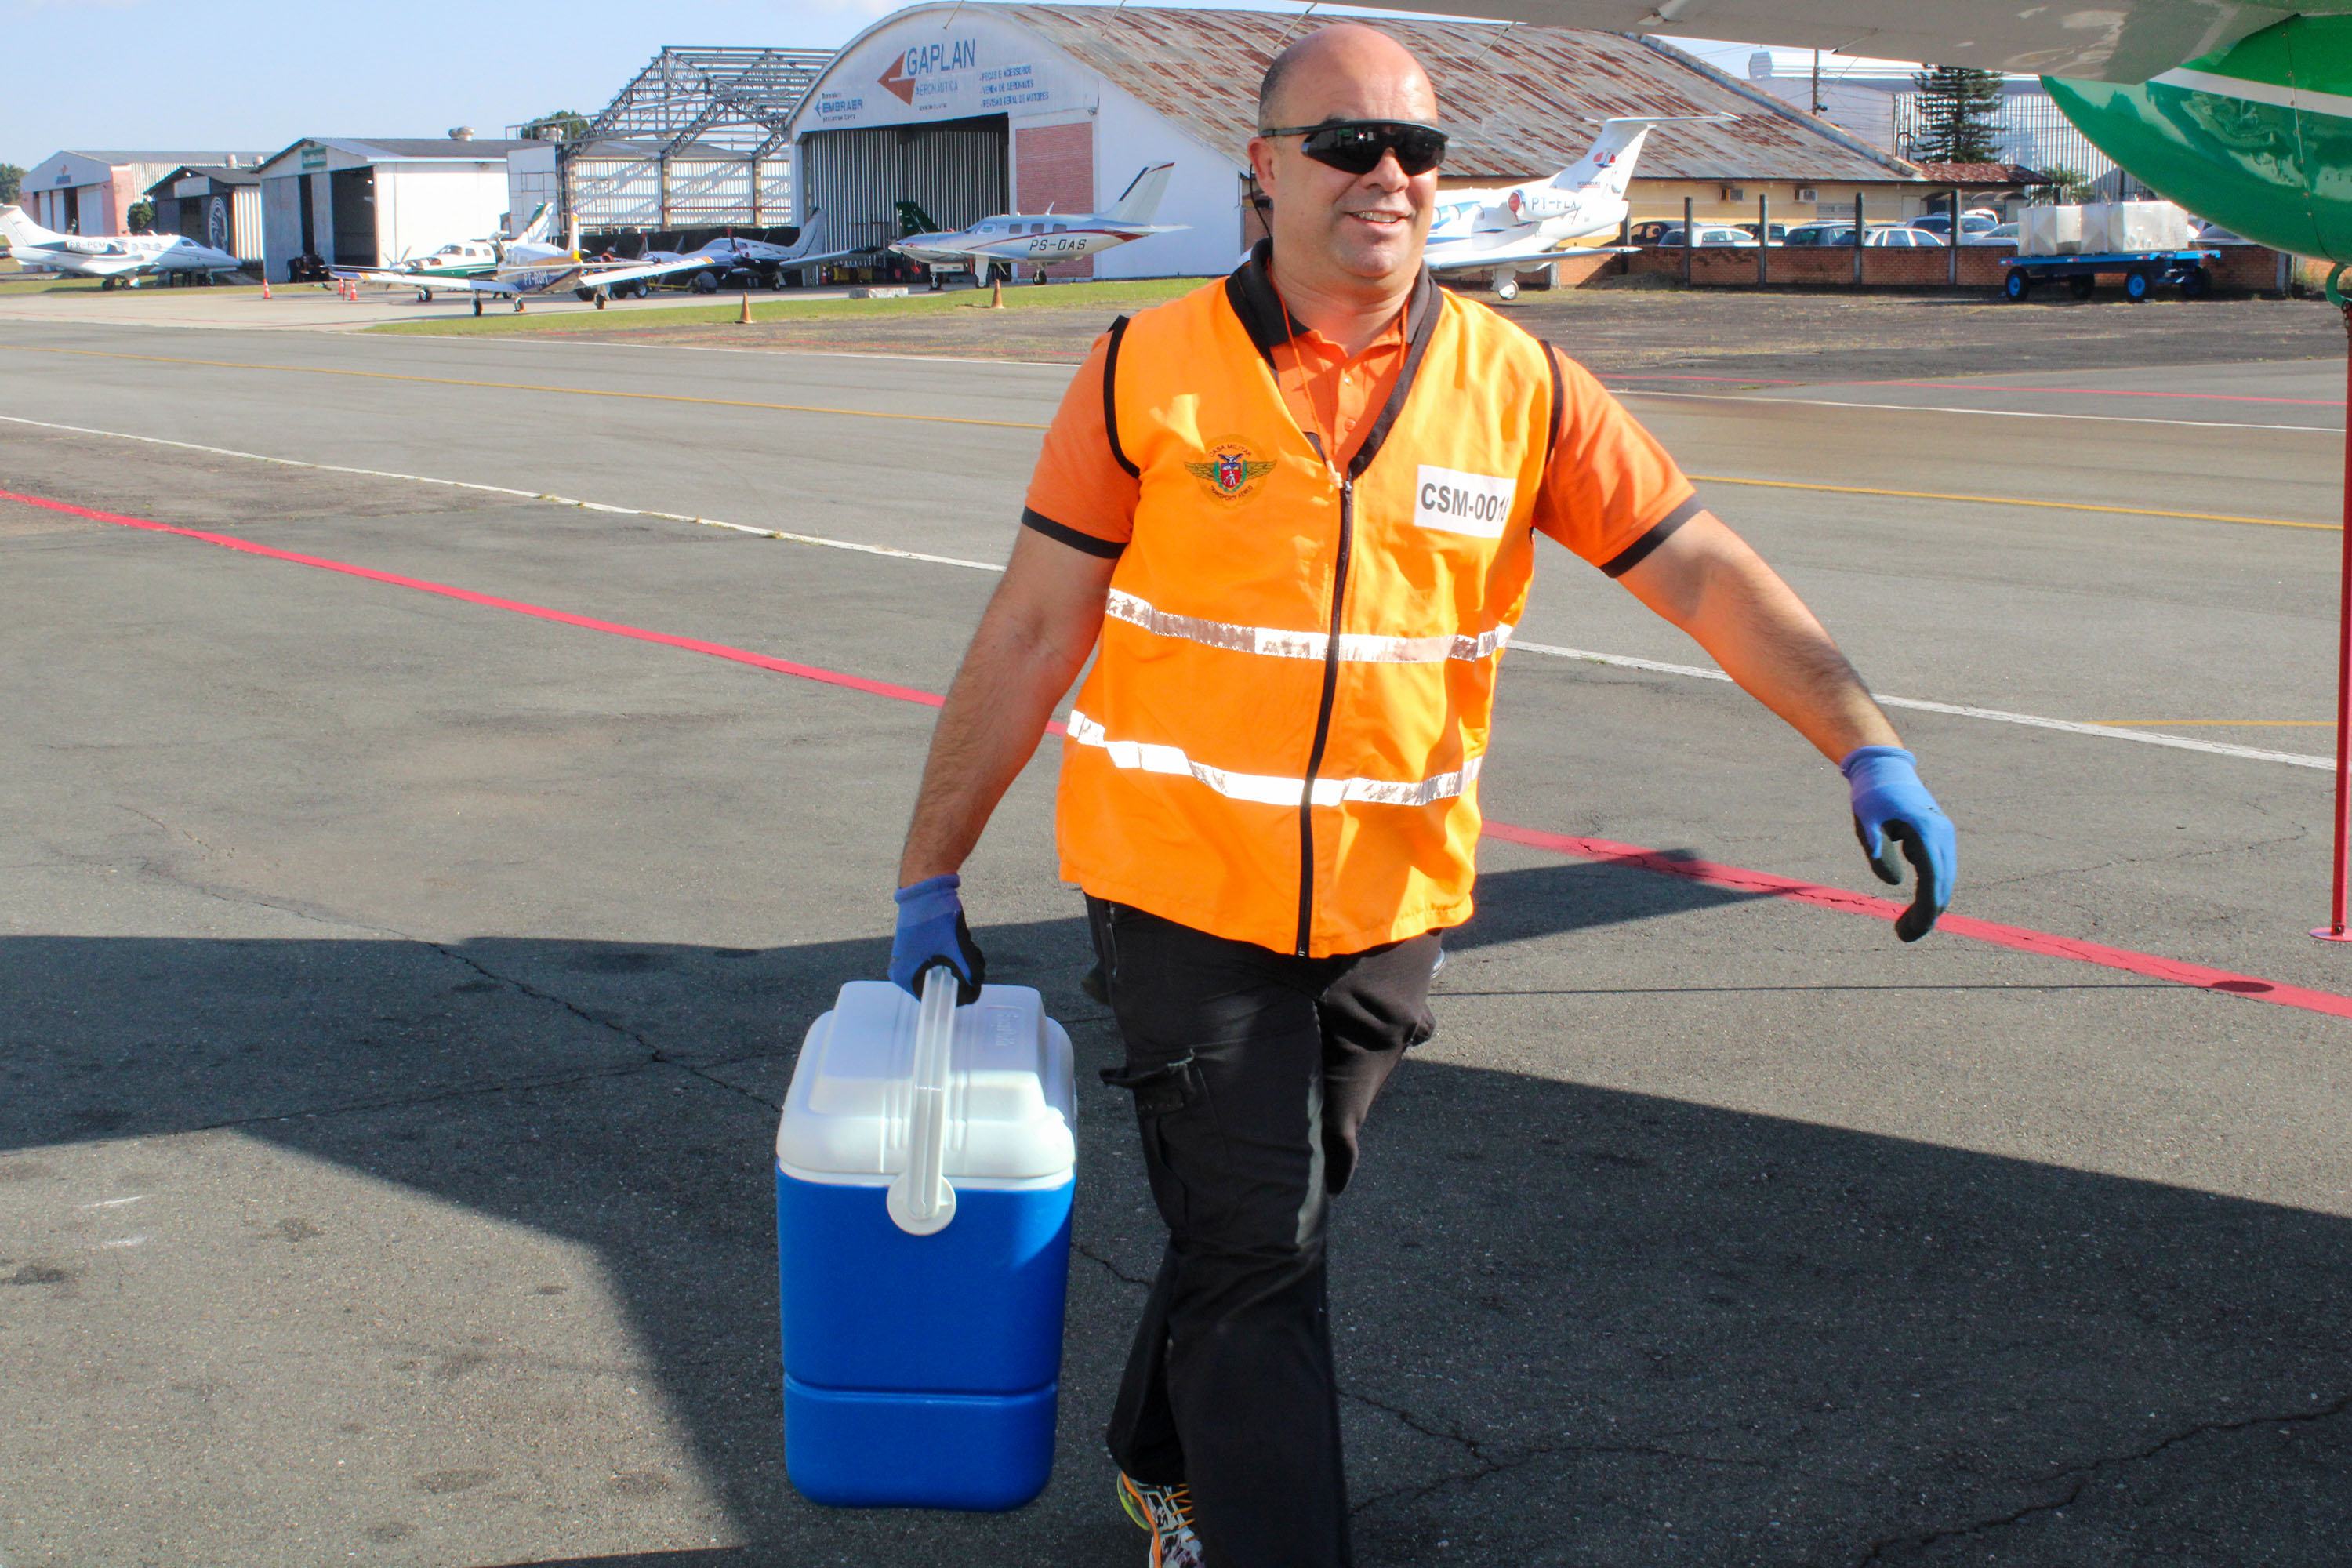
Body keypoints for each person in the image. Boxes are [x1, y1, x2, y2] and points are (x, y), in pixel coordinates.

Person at [886, 23, 1956, 1568]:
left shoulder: (1517, 386)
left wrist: (1864, 740)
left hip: (1393, 903)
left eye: (1417, 146)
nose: (1387, 172)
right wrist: (933, 870)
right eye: (1344, 143)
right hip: (1183, 888)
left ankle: (1156, 1454)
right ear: (1262, 172)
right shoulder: (1143, 372)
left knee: (1272, 1211)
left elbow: (1706, 572)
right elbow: (1033, 628)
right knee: (1264, 1252)